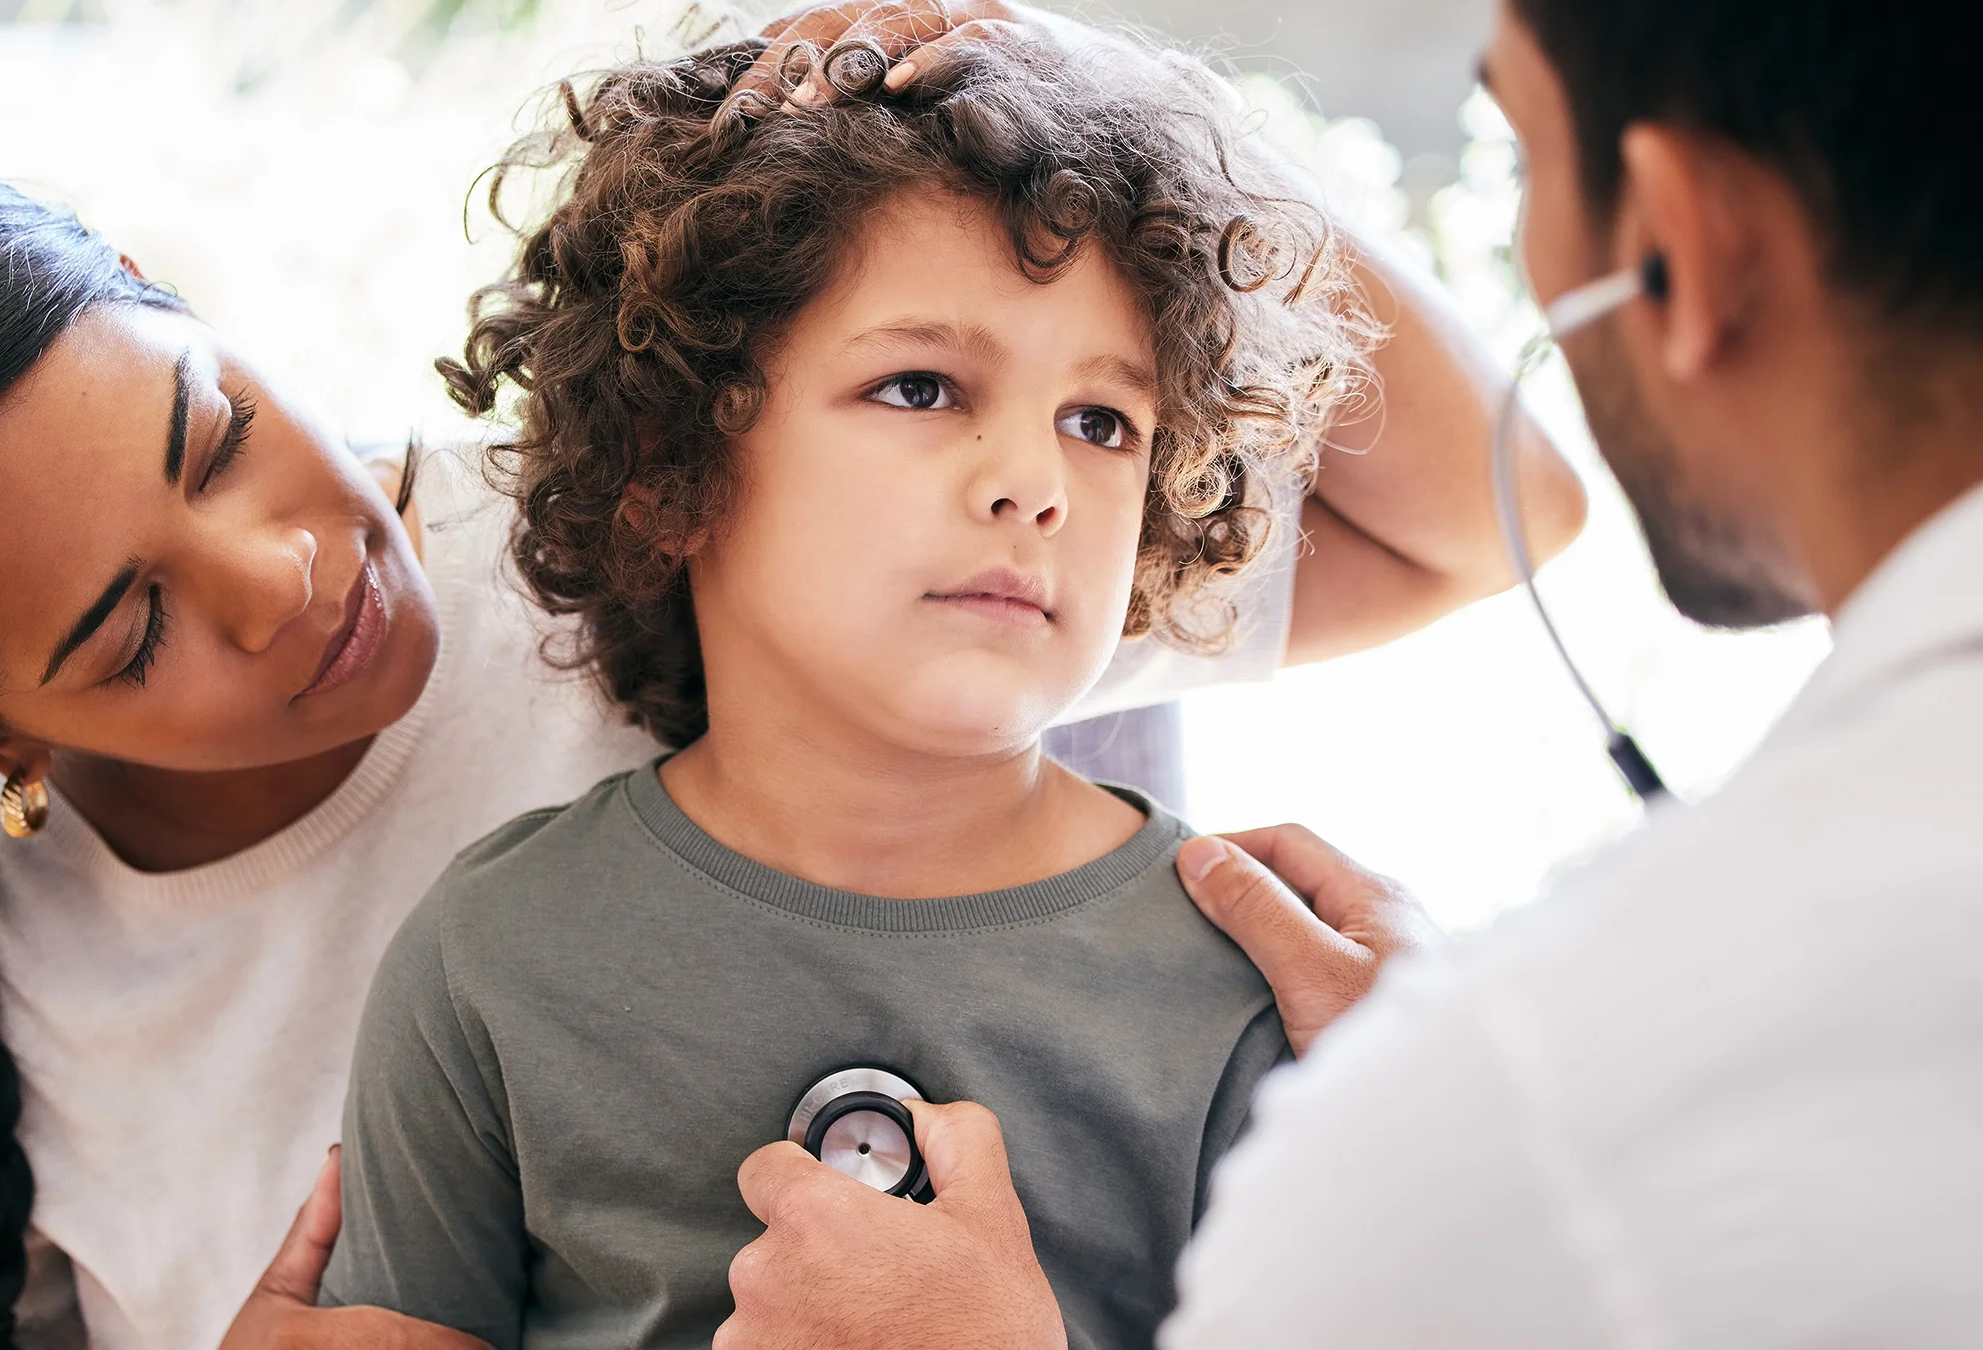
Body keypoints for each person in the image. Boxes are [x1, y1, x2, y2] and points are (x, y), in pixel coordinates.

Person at [0, 139, 1566, 1350]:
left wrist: (1062, 74)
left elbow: (1490, 515)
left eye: (212, 430)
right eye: (131, 630)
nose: (285, 572)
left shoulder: (684, 518)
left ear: (174, 300)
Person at [712, 0, 1983, 1345]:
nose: (1029, 483)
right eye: (919, 388)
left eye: (1526, 159)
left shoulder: (1502, 1130)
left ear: (1686, 245)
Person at [313, 26, 1356, 1349]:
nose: (1034, 480)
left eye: (1103, 421)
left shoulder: (1245, 984)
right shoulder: (489, 956)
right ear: (665, 460)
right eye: (920, 386)